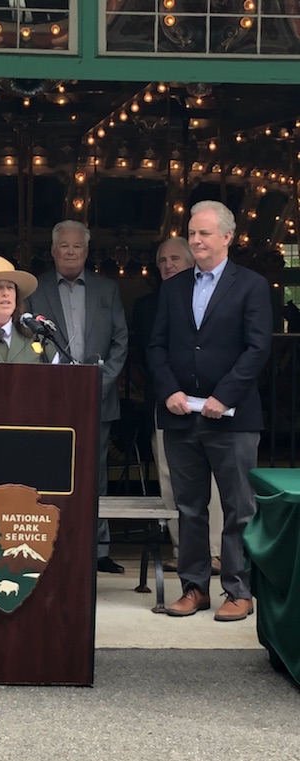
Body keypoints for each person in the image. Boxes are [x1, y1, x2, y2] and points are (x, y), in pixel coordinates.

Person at [147, 200, 272, 621]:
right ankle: (194, 588)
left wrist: (225, 396)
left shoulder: (252, 285)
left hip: (232, 419)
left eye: (203, 234)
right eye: (192, 233)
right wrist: (169, 392)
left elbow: (258, 348)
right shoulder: (173, 286)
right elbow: (156, 346)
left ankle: (238, 590)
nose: (195, 241)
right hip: (181, 415)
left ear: (227, 237)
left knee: (238, 508)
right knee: (189, 508)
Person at [28, 220, 129, 573]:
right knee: (47, 471)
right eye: (64, 246)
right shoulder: (34, 289)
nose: (71, 252)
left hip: (96, 399)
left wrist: (98, 384)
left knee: (94, 473)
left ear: (87, 252)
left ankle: (98, 550)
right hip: (48, 400)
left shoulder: (107, 290)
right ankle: (50, 543)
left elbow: (120, 341)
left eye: (77, 247)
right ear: (53, 251)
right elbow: (25, 342)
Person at [133, 237, 223, 574]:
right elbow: (148, 353)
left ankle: (214, 552)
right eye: (162, 260)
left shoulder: (214, 295)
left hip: (213, 402)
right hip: (167, 400)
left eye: (175, 258)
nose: (168, 265)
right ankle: (182, 549)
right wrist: (170, 389)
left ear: (192, 261)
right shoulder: (146, 305)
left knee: (212, 480)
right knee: (172, 480)